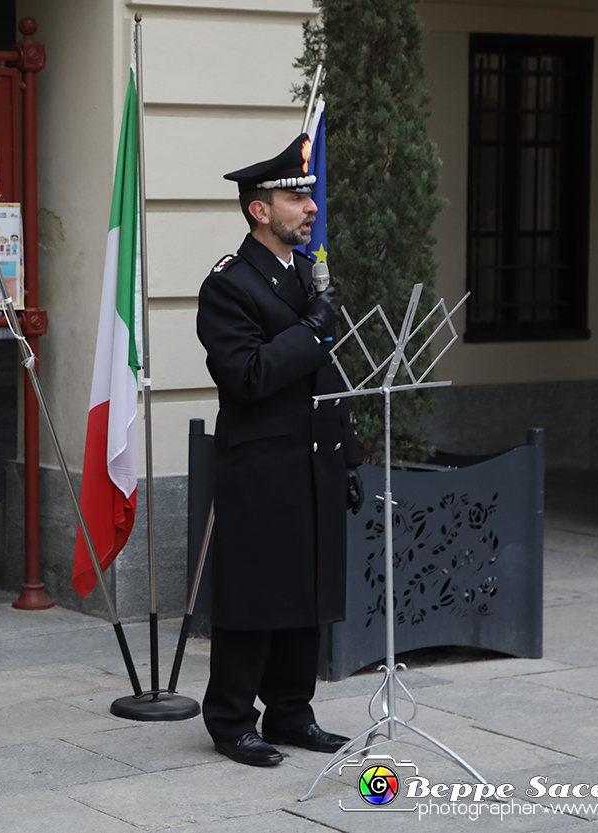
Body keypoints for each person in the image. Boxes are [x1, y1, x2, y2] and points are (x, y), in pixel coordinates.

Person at [196, 133, 365, 767]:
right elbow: (248, 375)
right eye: (295, 197)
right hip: (263, 465)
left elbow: (329, 381)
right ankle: (232, 720)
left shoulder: (303, 277)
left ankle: (292, 710)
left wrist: (347, 457)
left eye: (309, 195)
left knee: (308, 592)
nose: (310, 207)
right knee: (258, 595)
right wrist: (315, 327)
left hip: (314, 457)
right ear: (258, 210)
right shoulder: (230, 286)